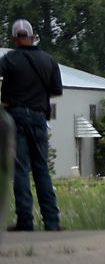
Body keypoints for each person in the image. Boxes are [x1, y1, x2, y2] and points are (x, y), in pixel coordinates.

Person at [1, 20, 61, 233]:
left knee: (20, 170)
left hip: (16, 117)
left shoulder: (10, 59)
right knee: (41, 169)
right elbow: (55, 90)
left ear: (15, 38)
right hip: (39, 117)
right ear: (33, 36)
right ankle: (52, 222)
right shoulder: (48, 60)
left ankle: (25, 222)